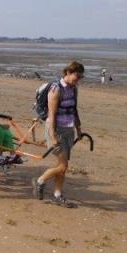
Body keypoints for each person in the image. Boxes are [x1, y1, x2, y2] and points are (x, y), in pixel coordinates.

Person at [32, 61, 85, 207]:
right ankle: (39, 181)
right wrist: (53, 136)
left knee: (63, 166)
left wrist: (79, 130)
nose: (78, 80)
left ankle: (57, 194)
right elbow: (52, 114)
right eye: (77, 76)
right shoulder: (56, 89)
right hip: (56, 129)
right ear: (68, 72)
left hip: (69, 129)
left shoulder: (74, 89)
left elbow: (74, 110)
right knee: (62, 166)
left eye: (81, 77)